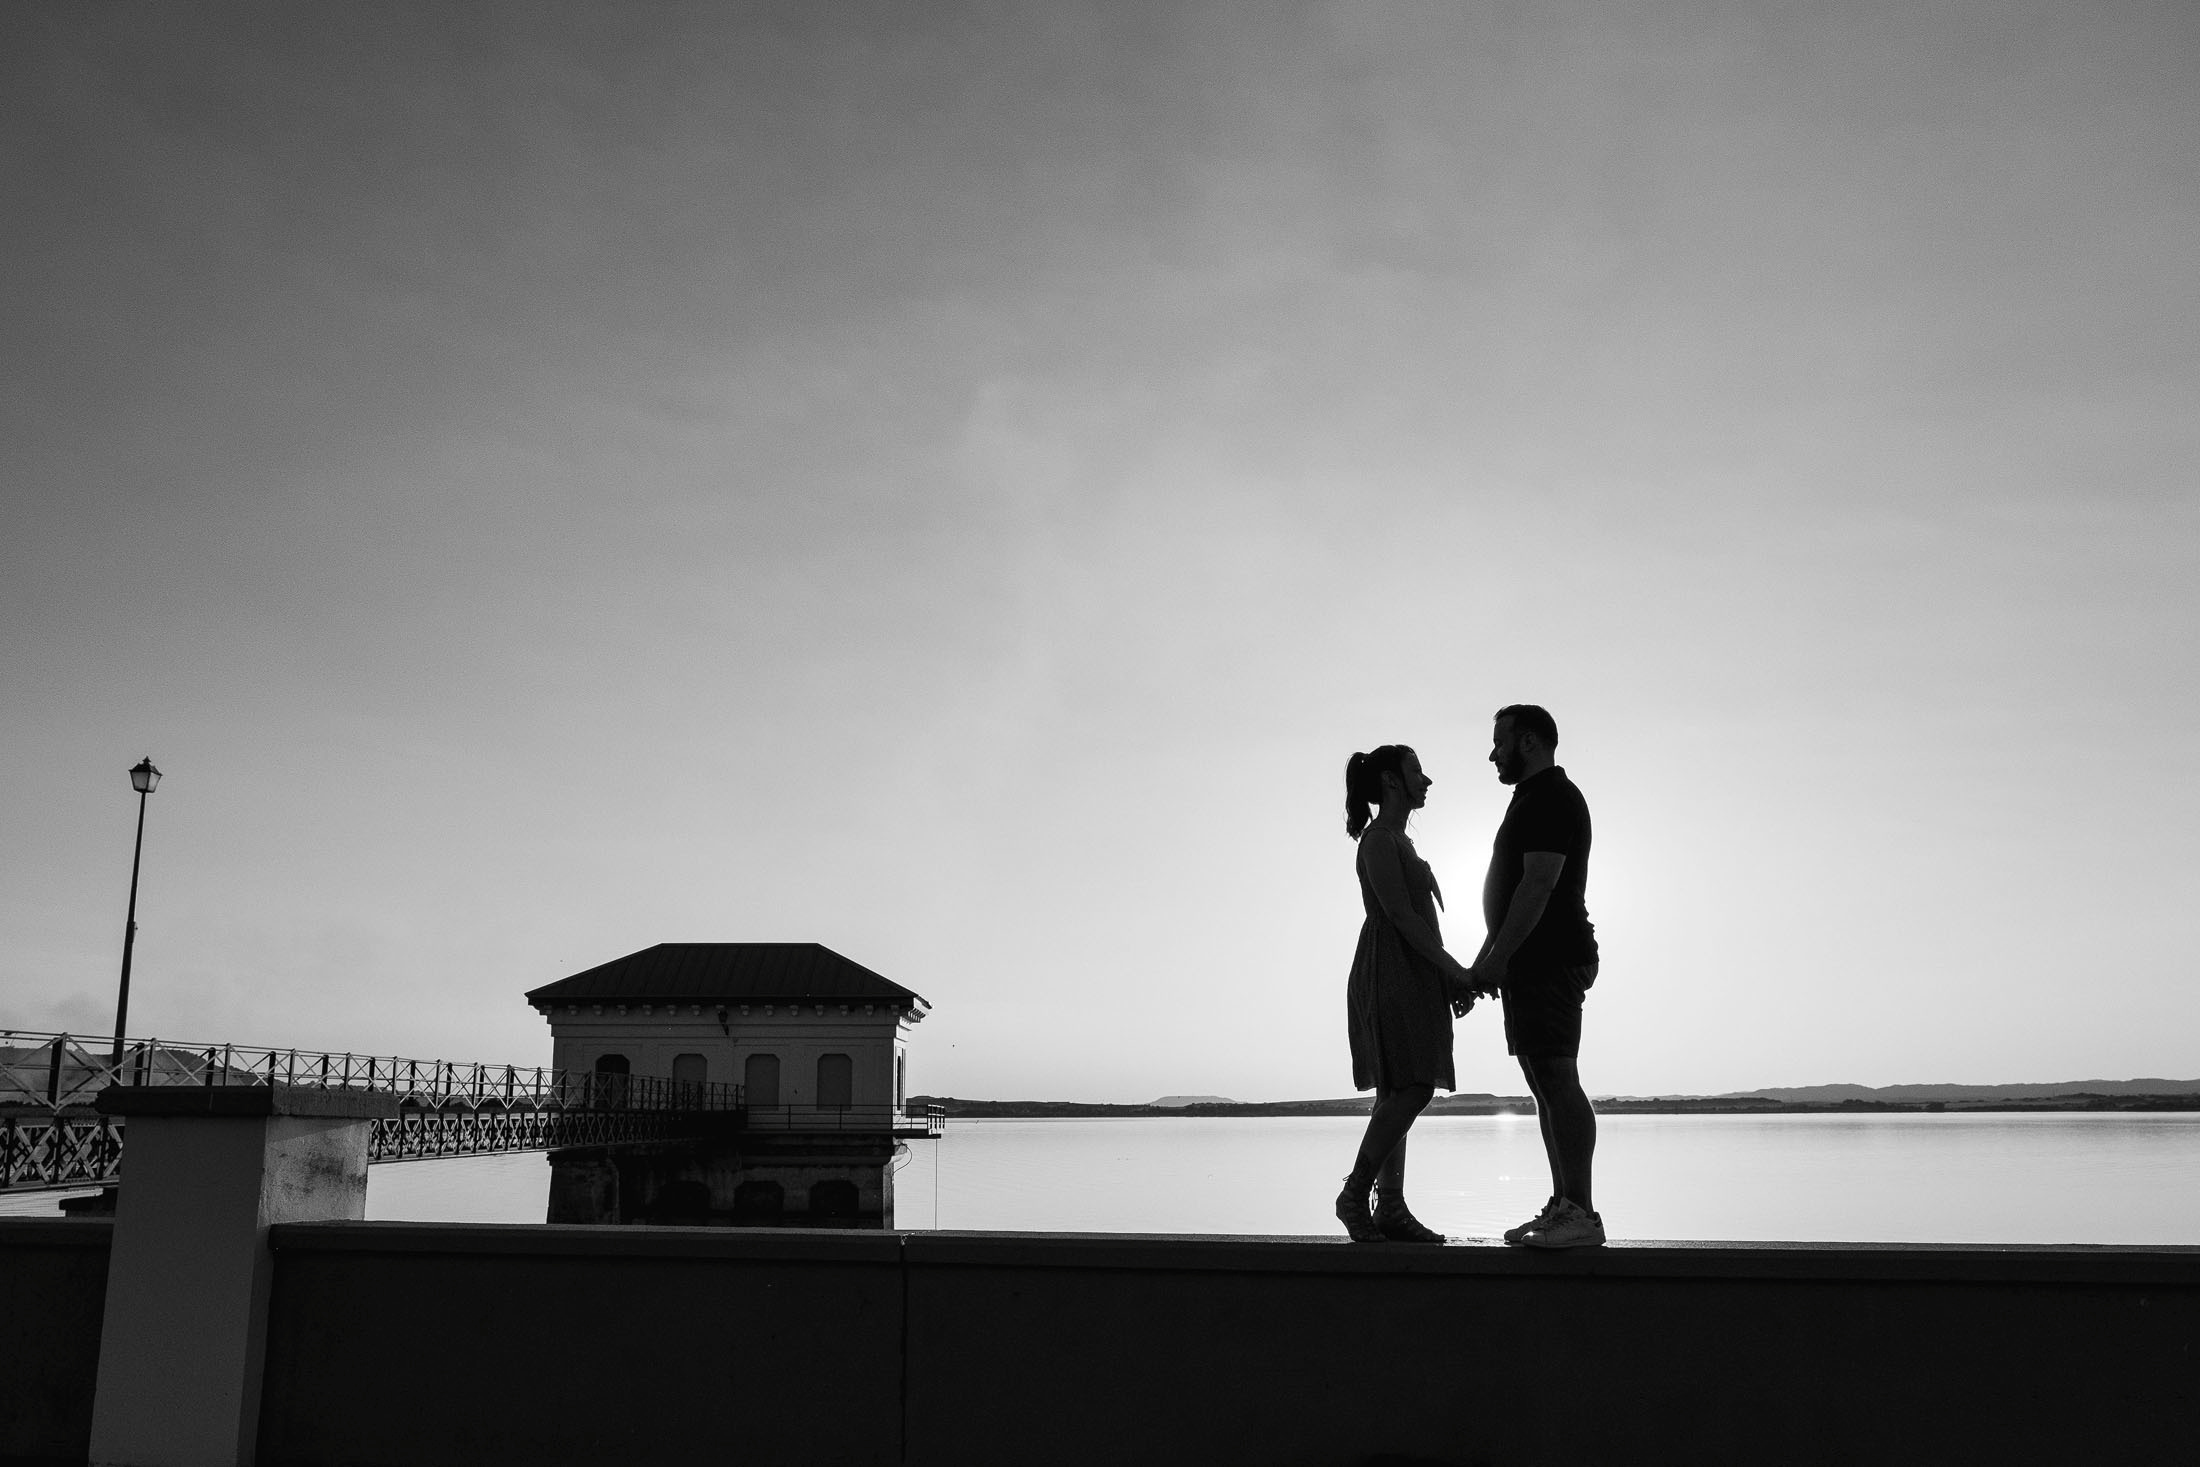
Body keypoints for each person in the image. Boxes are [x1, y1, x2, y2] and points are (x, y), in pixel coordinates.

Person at [1470, 705, 1605, 1248]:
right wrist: (1489, 958)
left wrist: (1498, 958)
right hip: (1530, 959)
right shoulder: (1531, 798)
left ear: (1528, 741)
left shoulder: (1551, 796)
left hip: (1551, 956)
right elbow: (1510, 896)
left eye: (1499, 742)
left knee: (1556, 1076)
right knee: (1542, 1082)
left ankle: (1582, 1214)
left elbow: (1538, 885)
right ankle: (1564, 1206)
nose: (1492, 753)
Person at [1336, 744, 1481, 1244]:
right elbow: (1401, 918)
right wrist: (1456, 971)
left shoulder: (1400, 841)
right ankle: (1355, 1195)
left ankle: (1390, 1206)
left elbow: (1421, 924)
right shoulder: (1378, 841)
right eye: (1417, 771)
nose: (1427, 780)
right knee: (1413, 1087)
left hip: (1414, 971)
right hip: (1391, 969)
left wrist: (1443, 978)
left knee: (1397, 1092)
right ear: (1392, 782)